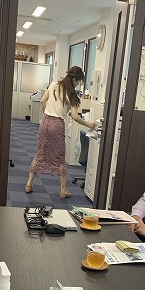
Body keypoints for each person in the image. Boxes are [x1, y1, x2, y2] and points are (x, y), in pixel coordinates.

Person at [25, 66, 96, 198]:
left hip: (45, 122)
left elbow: (42, 101)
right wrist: (89, 124)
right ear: (74, 79)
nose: (78, 84)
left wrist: (46, 114)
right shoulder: (72, 95)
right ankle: (63, 190)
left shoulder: (54, 85)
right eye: (79, 81)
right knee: (60, 157)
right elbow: (75, 117)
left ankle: (29, 184)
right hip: (57, 125)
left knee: (40, 153)